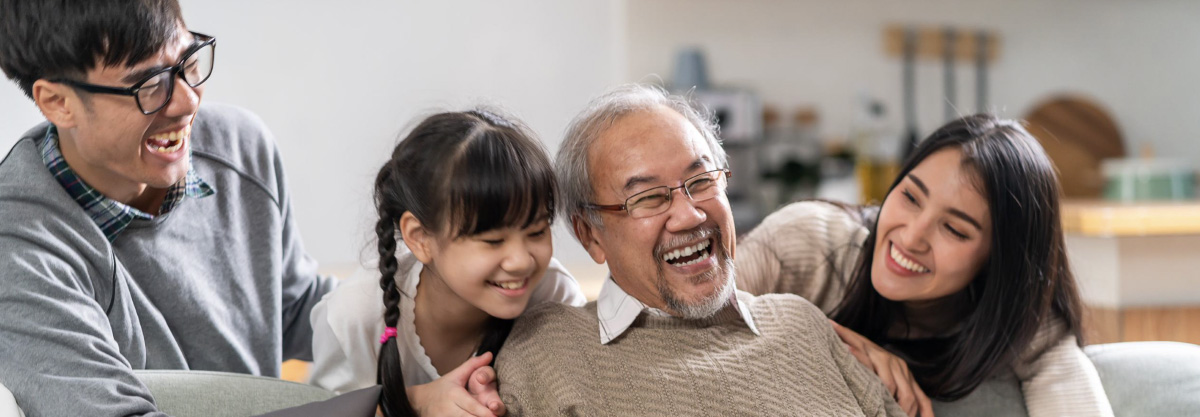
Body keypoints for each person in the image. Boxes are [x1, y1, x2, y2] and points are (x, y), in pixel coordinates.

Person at [0, 0, 337, 415]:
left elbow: (297, 311)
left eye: (187, 63)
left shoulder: (240, 150)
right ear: (57, 102)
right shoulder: (17, 249)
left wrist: (422, 306)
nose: (186, 102)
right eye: (148, 84)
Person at [493, 84, 905, 416]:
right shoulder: (548, 353)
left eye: (702, 180)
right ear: (590, 236)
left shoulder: (801, 325)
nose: (689, 216)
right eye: (649, 198)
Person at [737, 114, 1113, 417]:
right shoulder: (808, 239)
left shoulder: (1023, 320)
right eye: (911, 197)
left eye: (953, 228)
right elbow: (688, 318)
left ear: (998, 261)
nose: (912, 236)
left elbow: (1066, 383)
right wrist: (838, 346)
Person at [305, 109, 586, 416]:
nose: (520, 261)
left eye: (537, 231)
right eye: (492, 240)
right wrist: (413, 403)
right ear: (421, 238)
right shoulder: (353, 317)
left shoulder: (554, 296)